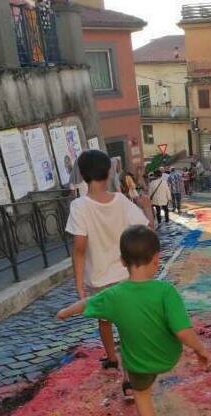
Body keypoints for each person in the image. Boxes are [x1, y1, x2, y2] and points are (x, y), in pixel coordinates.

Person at [57, 226, 211, 416]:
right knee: (147, 366)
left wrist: (64, 313)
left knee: (141, 394)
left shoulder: (114, 295)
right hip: (168, 356)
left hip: (139, 363)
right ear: (156, 259)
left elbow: (87, 302)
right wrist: (201, 351)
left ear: (122, 261)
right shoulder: (166, 291)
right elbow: (183, 332)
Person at [65, 150, 149, 379]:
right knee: (127, 323)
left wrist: (79, 285)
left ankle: (112, 358)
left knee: (105, 320)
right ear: (109, 171)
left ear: (82, 175)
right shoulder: (121, 201)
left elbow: (79, 248)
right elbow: (144, 228)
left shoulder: (79, 206)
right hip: (125, 274)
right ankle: (132, 374)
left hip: (99, 278)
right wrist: (146, 206)